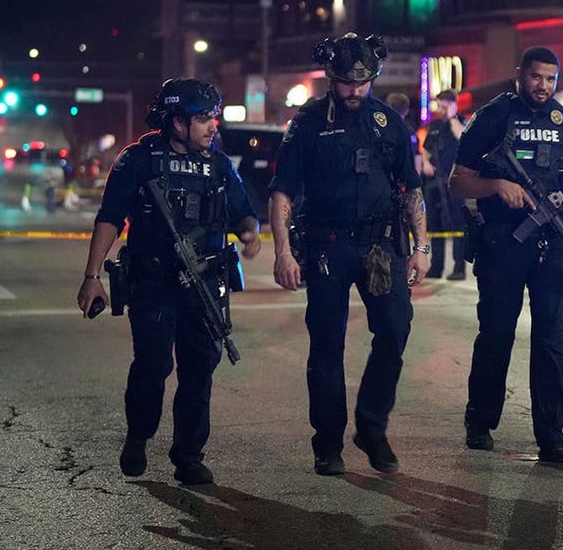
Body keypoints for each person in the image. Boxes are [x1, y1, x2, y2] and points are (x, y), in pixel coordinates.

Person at [75, 78, 262, 485]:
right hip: (154, 281)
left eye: (213, 117)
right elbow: (109, 218)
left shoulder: (219, 164)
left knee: (199, 369)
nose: (213, 126)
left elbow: (243, 211)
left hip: (205, 284)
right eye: (203, 119)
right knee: (153, 365)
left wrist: (250, 232)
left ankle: (189, 456)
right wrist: (92, 277)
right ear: (177, 123)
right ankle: (139, 436)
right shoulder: (138, 159)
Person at [268, 32, 430, 476]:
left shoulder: (388, 122)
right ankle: (328, 445)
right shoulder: (307, 124)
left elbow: (411, 188)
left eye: (364, 82)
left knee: (395, 332)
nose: (356, 90)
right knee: (326, 348)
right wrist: (283, 252)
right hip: (326, 248)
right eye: (346, 82)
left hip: (381, 247)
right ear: (330, 77)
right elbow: (282, 190)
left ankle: (372, 427)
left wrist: (421, 247)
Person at [449, 46, 563, 464]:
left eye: (551, 79)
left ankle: (551, 437)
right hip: (503, 245)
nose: (543, 86)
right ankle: (480, 422)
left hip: (553, 248)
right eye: (536, 77)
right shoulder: (492, 118)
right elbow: (458, 182)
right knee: (496, 335)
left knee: (552, 340)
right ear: (519, 74)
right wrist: (496, 186)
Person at [421, 89, 466, 280]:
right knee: (435, 225)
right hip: (435, 182)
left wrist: (452, 117)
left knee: (457, 224)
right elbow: (426, 149)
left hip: (455, 182)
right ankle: (436, 266)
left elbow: (463, 138)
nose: (441, 110)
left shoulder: (461, 123)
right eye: (439, 106)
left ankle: (458, 268)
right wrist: (425, 163)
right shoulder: (435, 125)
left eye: (445, 106)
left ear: (454, 105)